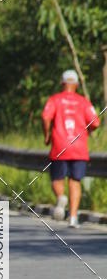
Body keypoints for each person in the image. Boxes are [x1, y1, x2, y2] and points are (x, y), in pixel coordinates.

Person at [42, 69, 100, 228]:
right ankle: (73, 218)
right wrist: (87, 131)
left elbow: (45, 117)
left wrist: (47, 135)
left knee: (57, 179)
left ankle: (61, 197)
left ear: (62, 83)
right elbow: (95, 122)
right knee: (75, 182)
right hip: (79, 148)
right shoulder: (84, 101)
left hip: (60, 146)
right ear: (76, 84)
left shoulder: (54, 100)